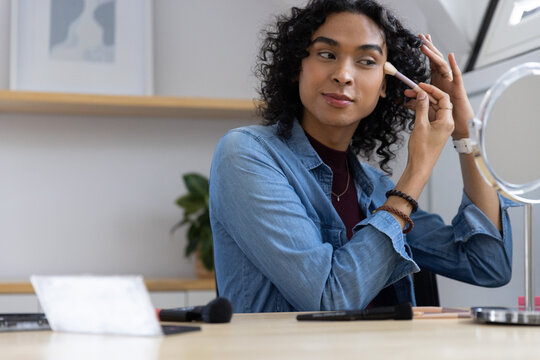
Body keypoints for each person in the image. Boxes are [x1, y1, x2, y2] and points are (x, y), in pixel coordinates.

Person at [209, 0, 516, 313]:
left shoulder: (374, 189)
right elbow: (329, 300)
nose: (343, 75)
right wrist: (417, 171)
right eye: (327, 54)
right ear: (296, 67)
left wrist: (466, 133)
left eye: (367, 61)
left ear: (385, 85)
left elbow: (488, 265)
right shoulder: (246, 154)